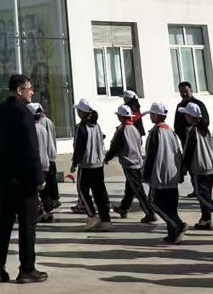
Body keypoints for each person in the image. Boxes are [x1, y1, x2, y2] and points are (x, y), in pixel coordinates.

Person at [0, 74, 46, 284]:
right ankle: (27, 269)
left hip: (4, 179)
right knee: (27, 225)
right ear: (19, 90)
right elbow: (31, 148)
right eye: (29, 88)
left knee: (4, 224)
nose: (32, 92)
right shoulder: (24, 113)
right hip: (25, 180)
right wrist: (39, 177)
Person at [107, 102, 167, 232]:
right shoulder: (134, 129)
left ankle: (149, 213)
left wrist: (107, 158)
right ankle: (124, 207)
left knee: (138, 190)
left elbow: (115, 147)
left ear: (121, 117)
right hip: (138, 162)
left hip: (129, 164)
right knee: (130, 188)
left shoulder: (121, 130)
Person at [178, 101, 213, 231]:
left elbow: (188, 151)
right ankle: (206, 220)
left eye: (186, 115)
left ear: (191, 117)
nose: (185, 117)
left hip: (199, 167)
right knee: (206, 195)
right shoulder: (205, 129)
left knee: (201, 196)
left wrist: (183, 168)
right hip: (210, 165)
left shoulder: (192, 130)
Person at [143, 103, 187, 244]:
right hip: (172, 174)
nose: (150, 117)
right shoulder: (171, 132)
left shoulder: (156, 132)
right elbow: (179, 153)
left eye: (151, 114)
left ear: (156, 115)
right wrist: (180, 173)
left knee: (154, 202)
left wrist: (146, 173)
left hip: (159, 174)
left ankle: (177, 225)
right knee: (170, 206)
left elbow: (150, 155)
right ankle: (172, 232)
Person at [70, 100, 111, 230]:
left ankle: (92, 216)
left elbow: (79, 147)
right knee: (99, 192)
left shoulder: (81, 127)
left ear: (82, 113)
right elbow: (102, 137)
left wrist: (74, 163)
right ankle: (105, 219)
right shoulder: (96, 125)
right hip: (98, 163)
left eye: (78, 110)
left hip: (86, 164)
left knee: (82, 190)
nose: (77, 112)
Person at [33, 103, 59, 220]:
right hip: (46, 161)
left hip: (37, 163)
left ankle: (39, 211)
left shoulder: (32, 129)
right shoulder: (43, 127)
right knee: (45, 189)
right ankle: (48, 211)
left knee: (34, 189)